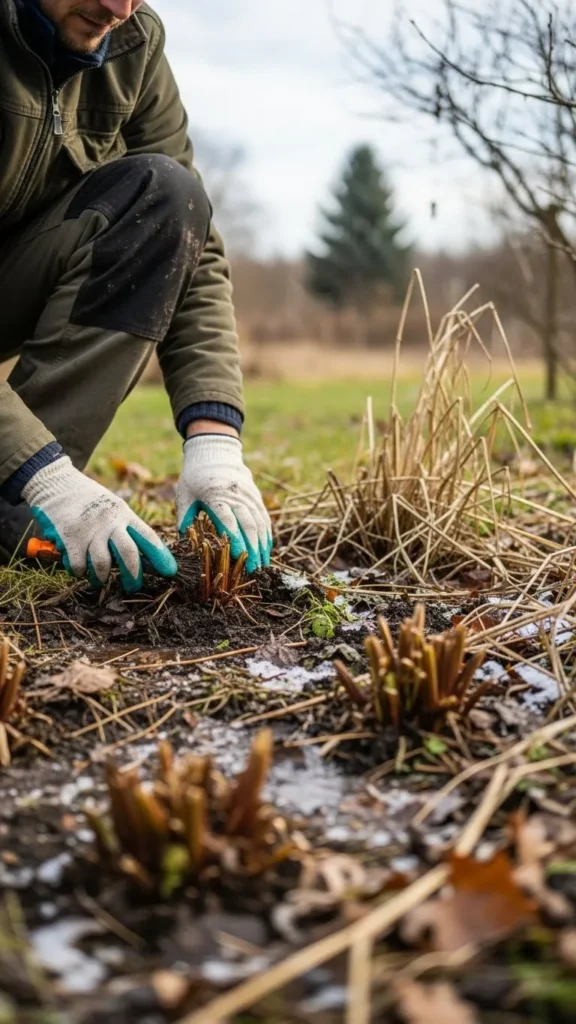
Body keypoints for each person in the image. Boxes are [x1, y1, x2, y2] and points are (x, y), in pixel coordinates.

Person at [0, 0, 272, 593]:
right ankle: (29, 475)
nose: (117, 9)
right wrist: (43, 474)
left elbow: (191, 245)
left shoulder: (134, 45)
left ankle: (13, 506)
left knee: (166, 196)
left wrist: (214, 438)